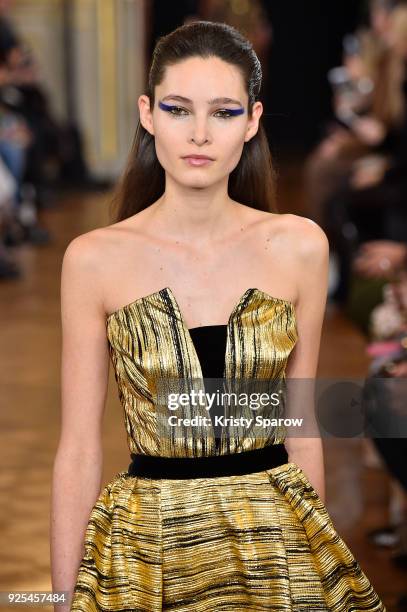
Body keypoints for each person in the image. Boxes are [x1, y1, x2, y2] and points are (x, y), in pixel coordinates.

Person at [50, 21, 386, 611]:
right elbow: (78, 447)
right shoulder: (94, 259)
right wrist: (60, 599)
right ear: (147, 114)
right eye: (179, 109)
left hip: (275, 544)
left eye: (224, 113)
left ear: (252, 121)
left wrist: (316, 565)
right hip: (146, 551)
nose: (199, 134)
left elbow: (301, 423)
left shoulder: (299, 246)